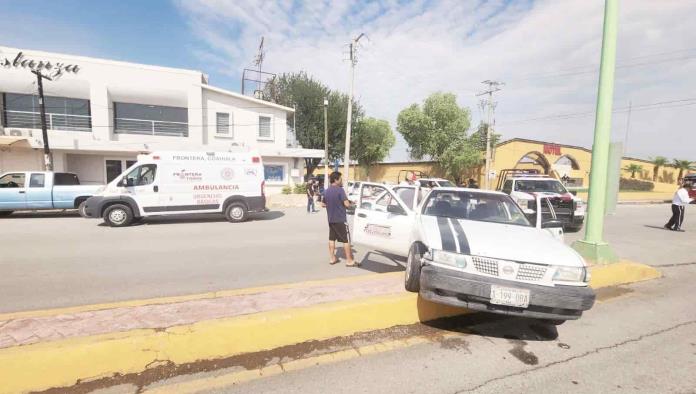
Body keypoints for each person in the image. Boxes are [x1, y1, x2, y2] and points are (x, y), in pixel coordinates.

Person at [322, 171, 357, 266]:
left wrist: (332, 204)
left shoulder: (326, 191)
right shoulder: (340, 190)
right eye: (340, 179)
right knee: (346, 240)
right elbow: (346, 204)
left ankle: (332, 258)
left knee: (331, 239)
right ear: (336, 180)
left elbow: (323, 204)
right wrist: (351, 204)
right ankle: (349, 260)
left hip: (331, 219)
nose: (341, 181)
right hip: (340, 219)